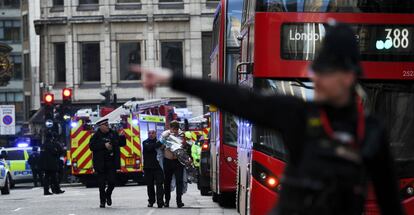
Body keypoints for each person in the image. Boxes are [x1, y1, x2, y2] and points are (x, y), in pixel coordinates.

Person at [131, 23, 404, 215]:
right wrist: (172, 79)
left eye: (325, 72)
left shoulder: (371, 132)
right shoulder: (298, 114)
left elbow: (390, 202)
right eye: (315, 70)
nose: (316, 78)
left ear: (347, 77)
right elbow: (237, 99)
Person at [89, 118, 126, 208]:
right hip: (100, 164)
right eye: (105, 125)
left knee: (112, 182)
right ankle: (102, 201)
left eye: (107, 124)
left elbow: (121, 144)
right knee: (101, 184)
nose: (107, 126)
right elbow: (91, 146)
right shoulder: (96, 136)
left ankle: (108, 194)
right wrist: (104, 145)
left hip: (111, 163)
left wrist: (122, 137)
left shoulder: (113, 134)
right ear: (100, 126)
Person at [160, 120, 185, 208]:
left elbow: (184, 146)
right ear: (170, 128)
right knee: (167, 182)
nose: (175, 131)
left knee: (179, 181)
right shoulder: (165, 134)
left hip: (178, 161)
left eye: (176, 129)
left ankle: (179, 201)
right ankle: (167, 201)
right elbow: (161, 147)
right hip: (168, 160)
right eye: (173, 129)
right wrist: (165, 139)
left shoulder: (181, 134)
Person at [143, 130, 164, 208]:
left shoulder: (159, 142)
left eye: (153, 133)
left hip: (158, 167)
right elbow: (149, 148)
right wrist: (159, 143)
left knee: (159, 185)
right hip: (148, 168)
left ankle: (160, 202)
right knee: (150, 186)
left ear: (155, 134)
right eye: (149, 133)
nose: (151, 134)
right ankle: (151, 201)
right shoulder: (145, 142)